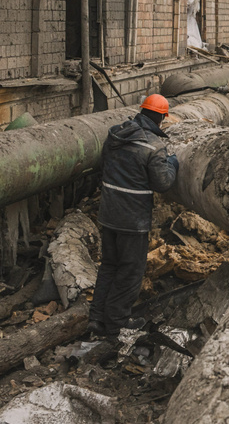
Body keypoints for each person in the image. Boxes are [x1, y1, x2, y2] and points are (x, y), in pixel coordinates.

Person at [89, 94, 179, 338]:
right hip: (132, 219)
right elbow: (164, 183)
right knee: (130, 271)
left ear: (141, 111)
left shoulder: (115, 135)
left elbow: (104, 164)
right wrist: (173, 162)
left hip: (108, 213)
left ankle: (97, 318)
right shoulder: (153, 145)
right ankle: (116, 322)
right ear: (161, 117)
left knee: (109, 265)